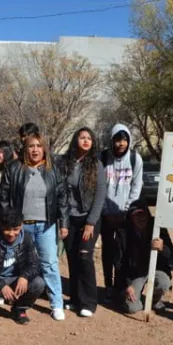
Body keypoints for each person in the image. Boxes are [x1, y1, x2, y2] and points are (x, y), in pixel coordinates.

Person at [0, 131, 69, 321]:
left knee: (49, 263)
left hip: (45, 226)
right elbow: (4, 196)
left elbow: (62, 197)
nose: (35, 150)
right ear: (26, 149)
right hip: (21, 227)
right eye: (31, 146)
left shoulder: (53, 169)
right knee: (15, 263)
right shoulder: (14, 168)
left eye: (39, 146)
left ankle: (56, 304)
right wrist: (10, 222)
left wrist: (64, 223)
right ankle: (11, 298)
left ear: (44, 149)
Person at [62, 127, 106, 317]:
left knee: (84, 255)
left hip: (90, 218)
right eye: (82, 137)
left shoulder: (96, 165)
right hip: (69, 217)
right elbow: (61, 192)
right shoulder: (66, 163)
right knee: (72, 257)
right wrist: (63, 221)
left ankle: (89, 302)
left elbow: (100, 195)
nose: (86, 141)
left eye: (89, 138)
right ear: (75, 140)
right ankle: (75, 298)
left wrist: (91, 222)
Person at [0, 208, 45, 325]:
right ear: (1, 226)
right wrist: (0, 284)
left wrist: (24, 276)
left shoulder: (26, 239)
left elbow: (34, 264)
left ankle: (19, 309)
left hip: (15, 278)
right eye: (7, 229)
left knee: (39, 283)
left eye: (15, 229)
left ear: (21, 225)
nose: (11, 234)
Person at [100, 123, 143, 303]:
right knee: (108, 250)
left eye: (124, 140)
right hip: (105, 215)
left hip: (126, 215)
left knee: (124, 250)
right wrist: (105, 212)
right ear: (112, 140)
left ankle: (121, 285)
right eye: (117, 139)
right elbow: (97, 187)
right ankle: (109, 286)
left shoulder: (135, 159)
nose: (120, 144)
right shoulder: (102, 158)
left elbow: (136, 187)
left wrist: (125, 211)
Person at [120, 199, 173, 314]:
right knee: (132, 308)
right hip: (135, 274)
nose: (141, 218)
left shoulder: (158, 227)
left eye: (143, 213)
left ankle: (154, 300)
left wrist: (162, 248)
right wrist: (127, 285)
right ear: (131, 217)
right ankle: (135, 297)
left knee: (163, 282)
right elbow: (119, 262)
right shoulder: (124, 232)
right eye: (137, 215)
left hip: (156, 269)